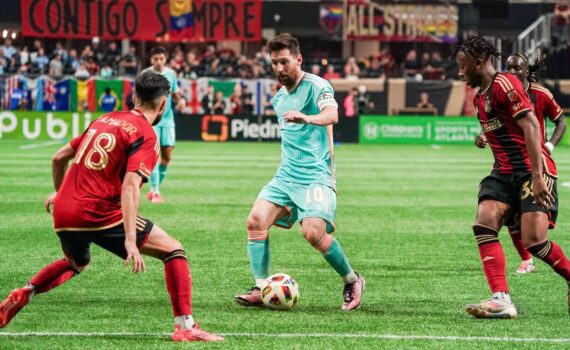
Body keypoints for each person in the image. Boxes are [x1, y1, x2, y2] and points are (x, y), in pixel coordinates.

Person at [0, 72, 223, 342]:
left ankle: (27, 291)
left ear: (133, 97)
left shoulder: (104, 119)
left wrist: (61, 194)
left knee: (76, 263)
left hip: (64, 213)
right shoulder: (146, 135)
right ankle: (185, 327)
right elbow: (130, 187)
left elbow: (58, 158)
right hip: (99, 213)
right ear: (164, 105)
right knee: (174, 250)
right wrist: (130, 239)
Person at [234, 33, 365, 311]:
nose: (279, 69)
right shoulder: (279, 98)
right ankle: (260, 286)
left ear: (298, 59)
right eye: (274, 64)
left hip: (317, 175)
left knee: (312, 232)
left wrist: (307, 117)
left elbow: (332, 115)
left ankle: (352, 279)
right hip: (286, 176)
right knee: (255, 221)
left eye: (284, 62)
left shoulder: (318, 86)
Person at [455, 36, 570, 319]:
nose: (460, 72)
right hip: (503, 172)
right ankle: (501, 299)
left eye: (462, 66)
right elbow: (503, 130)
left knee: (534, 242)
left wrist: (538, 175)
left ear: (479, 62)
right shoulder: (479, 97)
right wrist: (484, 136)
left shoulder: (505, 84)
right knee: (484, 221)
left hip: (532, 169)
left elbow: (531, 126)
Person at [475, 52, 567, 275]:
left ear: (527, 71)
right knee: (501, 222)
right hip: (508, 166)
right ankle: (521, 267)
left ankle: (536, 258)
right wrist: (484, 134)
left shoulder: (540, 94)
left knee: (534, 238)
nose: (513, 72)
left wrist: (550, 145)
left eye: (518, 68)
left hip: (535, 164)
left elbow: (560, 121)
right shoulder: (499, 90)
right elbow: (498, 124)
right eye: (509, 68)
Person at [142, 46, 186, 203]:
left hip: (167, 120)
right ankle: (155, 192)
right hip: (151, 120)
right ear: (151, 60)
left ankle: (155, 190)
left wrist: (180, 100)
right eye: (156, 59)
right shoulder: (145, 75)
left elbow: (174, 93)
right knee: (154, 156)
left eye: (161, 58)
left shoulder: (171, 74)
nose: (159, 62)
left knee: (167, 157)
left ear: (165, 59)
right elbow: (138, 97)